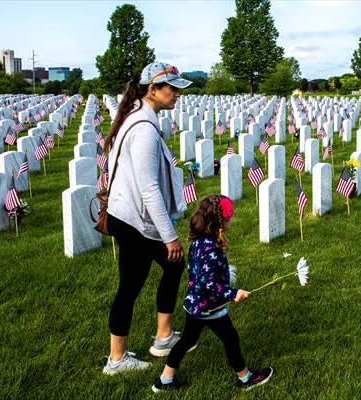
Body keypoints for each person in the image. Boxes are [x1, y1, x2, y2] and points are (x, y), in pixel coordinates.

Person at [102, 62, 193, 375]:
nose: (177, 93)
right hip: (133, 219)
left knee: (168, 267)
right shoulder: (144, 129)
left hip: (126, 213)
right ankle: (118, 359)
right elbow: (149, 188)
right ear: (153, 89)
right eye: (172, 87)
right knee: (133, 283)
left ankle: (163, 336)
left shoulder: (138, 115)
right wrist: (169, 236)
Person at [152, 194, 273, 392]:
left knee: (187, 341)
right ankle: (246, 378)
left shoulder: (200, 241)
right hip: (209, 306)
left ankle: (165, 380)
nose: (231, 221)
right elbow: (209, 284)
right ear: (220, 222)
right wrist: (233, 293)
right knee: (230, 338)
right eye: (229, 218)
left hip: (195, 304)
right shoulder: (211, 250)